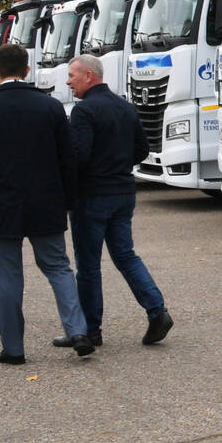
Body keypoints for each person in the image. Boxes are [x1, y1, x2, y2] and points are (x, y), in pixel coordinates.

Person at [0, 42, 93, 364]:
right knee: (58, 267)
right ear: (28, 70)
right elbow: (67, 159)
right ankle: (78, 331)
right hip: (45, 202)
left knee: (7, 278)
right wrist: (67, 199)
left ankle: (14, 348)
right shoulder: (51, 108)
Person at [55, 54, 173, 350]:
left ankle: (90, 330)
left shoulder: (84, 111)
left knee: (89, 265)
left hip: (92, 196)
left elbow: (79, 157)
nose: (68, 82)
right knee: (125, 256)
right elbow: (142, 149)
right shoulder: (125, 106)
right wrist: (117, 164)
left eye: (72, 76)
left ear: (89, 76)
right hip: (123, 192)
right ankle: (157, 310)